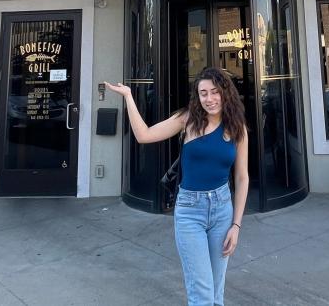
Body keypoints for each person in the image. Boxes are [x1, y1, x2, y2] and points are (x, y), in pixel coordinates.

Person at [105, 68, 249, 306]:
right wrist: (129, 97)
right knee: (201, 294)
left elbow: (242, 177)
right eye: (203, 93)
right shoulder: (188, 119)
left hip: (223, 210)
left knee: (216, 292)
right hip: (190, 211)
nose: (209, 99)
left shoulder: (237, 127)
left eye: (215, 92)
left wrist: (236, 224)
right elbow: (144, 135)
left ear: (225, 93)